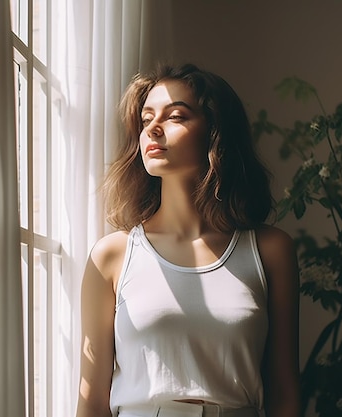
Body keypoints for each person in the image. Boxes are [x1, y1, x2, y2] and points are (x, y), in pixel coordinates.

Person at [76, 63, 300, 417]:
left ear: (215, 132)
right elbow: (91, 403)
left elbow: (285, 393)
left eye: (175, 116)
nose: (153, 129)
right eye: (146, 119)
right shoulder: (112, 256)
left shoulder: (270, 250)